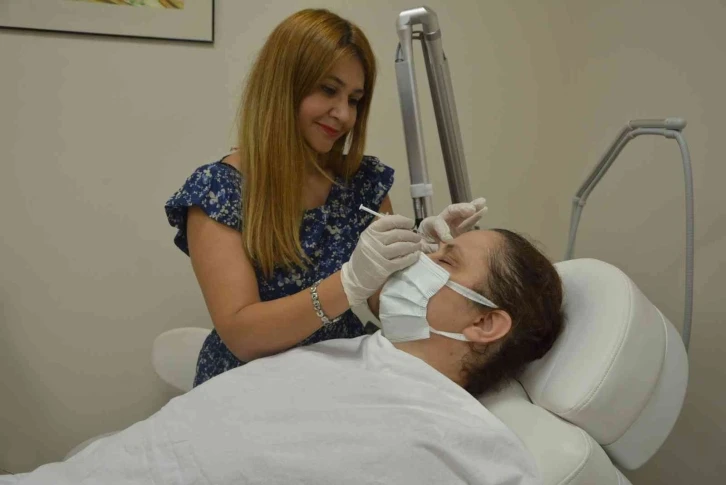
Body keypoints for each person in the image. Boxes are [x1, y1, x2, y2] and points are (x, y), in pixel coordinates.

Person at [4, 229, 563, 485]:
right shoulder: (360, 354)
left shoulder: (455, 441)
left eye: (444, 259)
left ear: (484, 323)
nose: (419, 258)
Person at [164, 8, 487, 387]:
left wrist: (426, 259)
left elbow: (386, 306)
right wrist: (348, 283)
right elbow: (243, 336)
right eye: (329, 90)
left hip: (339, 371)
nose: (344, 114)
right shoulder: (218, 191)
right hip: (249, 383)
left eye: (355, 99)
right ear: (283, 85)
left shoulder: (362, 182)